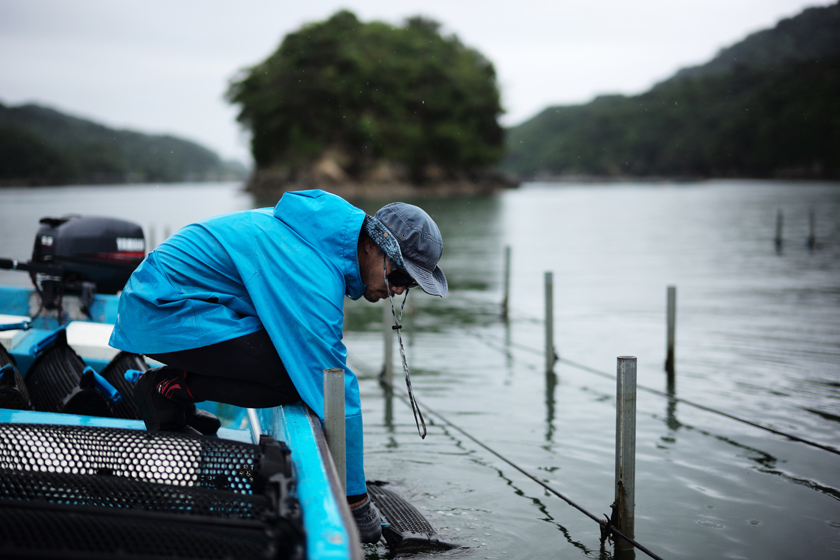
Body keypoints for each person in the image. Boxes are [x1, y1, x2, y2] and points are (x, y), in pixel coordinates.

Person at [108, 189, 447, 544]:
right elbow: (331, 383)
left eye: (409, 285)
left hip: (186, 304)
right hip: (159, 307)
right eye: (400, 274)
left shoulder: (320, 242)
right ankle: (165, 389)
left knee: (297, 373)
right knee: (293, 378)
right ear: (370, 246)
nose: (397, 288)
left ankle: (174, 390)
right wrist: (357, 503)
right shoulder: (310, 267)